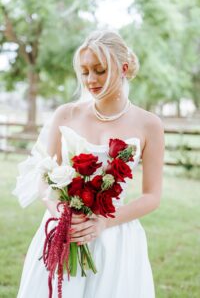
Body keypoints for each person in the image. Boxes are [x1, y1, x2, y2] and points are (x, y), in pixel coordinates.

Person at [13, 29, 164, 298]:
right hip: (65, 231)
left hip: (116, 236)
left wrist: (103, 223)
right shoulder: (66, 114)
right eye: (84, 72)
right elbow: (44, 177)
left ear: (124, 68)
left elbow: (152, 196)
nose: (90, 80)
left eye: (99, 70)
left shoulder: (149, 124)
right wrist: (62, 213)